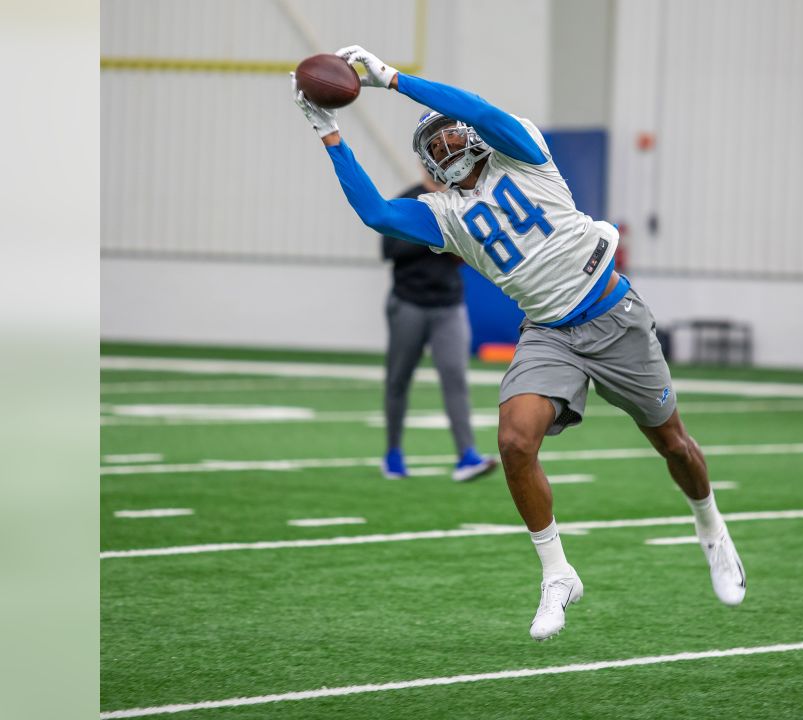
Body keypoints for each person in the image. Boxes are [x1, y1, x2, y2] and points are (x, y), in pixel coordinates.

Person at [291, 45, 746, 641]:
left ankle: (711, 528)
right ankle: (557, 573)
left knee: (674, 445)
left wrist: (394, 80)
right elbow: (377, 213)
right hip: (548, 333)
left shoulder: (524, 156)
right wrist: (329, 133)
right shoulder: (446, 214)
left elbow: (475, 107)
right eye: (436, 147)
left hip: (613, 315)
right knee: (513, 441)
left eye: (452, 137)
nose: (448, 147)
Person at [379, 170, 498, 483]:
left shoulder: (459, 200)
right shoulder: (409, 199)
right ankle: (393, 453)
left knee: (455, 378)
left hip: (449, 303)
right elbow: (389, 250)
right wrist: (435, 237)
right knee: (398, 379)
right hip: (409, 302)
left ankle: (467, 454)